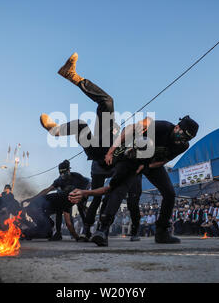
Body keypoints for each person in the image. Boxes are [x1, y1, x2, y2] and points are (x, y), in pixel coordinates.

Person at [40, 53, 145, 242]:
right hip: (100, 156)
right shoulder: (113, 133)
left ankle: (133, 229)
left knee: (132, 197)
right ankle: (56, 128)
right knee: (101, 107)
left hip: (119, 164)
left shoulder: (130, 145)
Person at [68, 114, 199, 246]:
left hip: (151, 165)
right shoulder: (162, 127)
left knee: (169, 193)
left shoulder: (183, 146)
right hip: (134, 158)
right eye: (183, 136)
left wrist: (146, 166)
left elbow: (164, 160)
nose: (182, 140)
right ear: (177, 127)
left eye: (187, 139)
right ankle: (103, 230)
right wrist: (112, 151)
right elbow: (129, 131)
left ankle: (162, 232)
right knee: (118, 189)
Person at [31, 160, 90, 241]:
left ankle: (87, 231)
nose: (62, 175)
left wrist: (83, 197)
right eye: (60, 173)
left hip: (82, 191)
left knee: (81, 208)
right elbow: (48, 190)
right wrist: (33, 198)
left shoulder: (77, 177)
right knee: (60, 208)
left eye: (64, 172)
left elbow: (87, 184)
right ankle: (58, 233)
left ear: (69, 170)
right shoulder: (59, 180)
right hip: (66, 198)